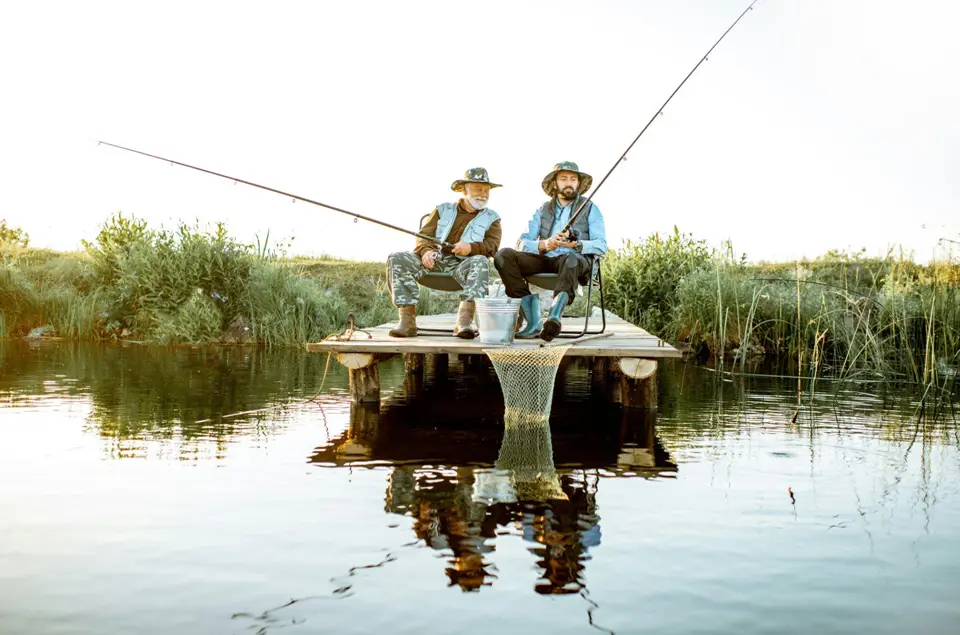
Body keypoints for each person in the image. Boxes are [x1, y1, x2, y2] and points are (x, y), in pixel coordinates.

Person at [493, 161, 607, 341]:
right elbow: (521, 242)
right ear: (555, 183)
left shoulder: (591, 208)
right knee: (503, 256)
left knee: (571, 258)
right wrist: (545, 244)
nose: (569, 183)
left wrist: (577, 245)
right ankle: (534, 320)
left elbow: (601, 245)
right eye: (563, 179)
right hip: (546, 260)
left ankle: (554, 317)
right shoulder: (542, 209)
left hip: (576, 261)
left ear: (578, 183)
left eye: (573, 179)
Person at [386, 167, 502, 339]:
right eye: (478, 189)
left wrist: (471, 248)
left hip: (464, 265)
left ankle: (463, 322)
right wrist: (426, 251)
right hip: (433, 261)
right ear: (465, 189)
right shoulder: (442, 209)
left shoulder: (493, 218)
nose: (484, 194)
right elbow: (423, 236)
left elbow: (492, 246)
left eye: (487, 190)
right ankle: (407, 322)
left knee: (481, 261)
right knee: (396, 258)